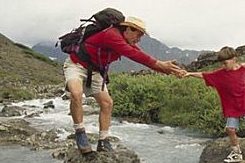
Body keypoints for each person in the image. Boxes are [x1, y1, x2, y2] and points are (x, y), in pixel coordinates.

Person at [64, 16, 186, 153]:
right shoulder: (111, 35)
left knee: (107, 103)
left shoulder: (125, 40)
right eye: (138, 35)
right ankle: (80, 133)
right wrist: (159, 64)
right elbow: (132, 54)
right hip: (77, 64)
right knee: (76, 93)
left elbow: (139, 53)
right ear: (128, 29)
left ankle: (103, 141)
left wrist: (168, 70)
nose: (138, 39)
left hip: (96, 71)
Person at [184, 47, 245, 163]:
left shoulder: (243, 70)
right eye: (222, 63)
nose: (224, 66)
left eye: (225, 63)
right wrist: (189, 74)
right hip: (231, 104)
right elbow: (204, 75)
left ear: (234, 60)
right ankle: (236, 152)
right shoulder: (220, 74)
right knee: (230, 129)